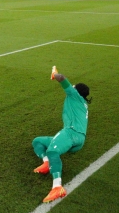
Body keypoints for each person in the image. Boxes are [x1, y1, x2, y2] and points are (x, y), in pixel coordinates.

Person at [32, 67, 91, 203]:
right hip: (79, 139)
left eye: (74, 86)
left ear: (76, 91)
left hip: (71, 132)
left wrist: (55, 74)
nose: (72, 87)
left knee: (53, 151)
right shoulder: (82, 103)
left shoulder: (74, 95)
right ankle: (47, 163)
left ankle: (57, 187)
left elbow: (62, 79)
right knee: (38, 142)